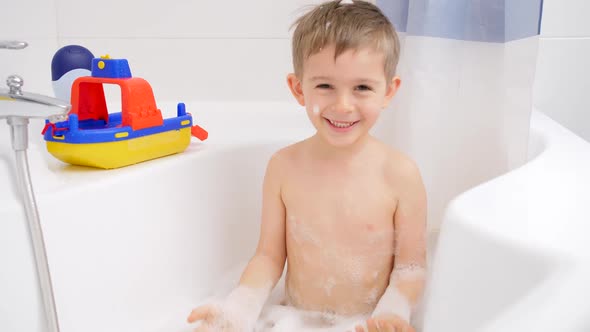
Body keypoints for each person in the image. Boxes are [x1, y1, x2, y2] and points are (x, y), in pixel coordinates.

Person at [188, 1, 427, 331]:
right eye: (325, 86)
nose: (343, 105)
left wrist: (393, 314)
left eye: (362, 88)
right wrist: (237, 310)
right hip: (293, 320)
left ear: (388, 91)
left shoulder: (400, 174)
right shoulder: (284, 167)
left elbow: (411, 269)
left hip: (365, 325)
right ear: (299, 89)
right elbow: (269, 257)